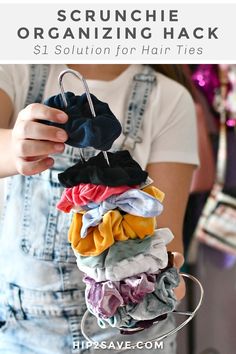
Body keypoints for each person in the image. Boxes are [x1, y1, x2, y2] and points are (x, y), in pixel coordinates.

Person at [0, 64, 199, 354]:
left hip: (129, 343)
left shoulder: (168, 98)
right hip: (21, 337)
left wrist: (158, 284)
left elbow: (170, 247)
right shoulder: (15, 70)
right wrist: (14, 148)